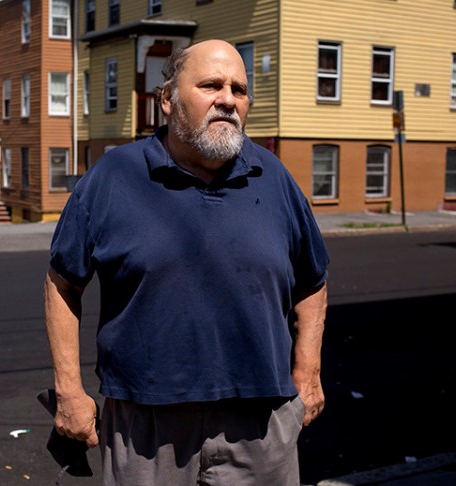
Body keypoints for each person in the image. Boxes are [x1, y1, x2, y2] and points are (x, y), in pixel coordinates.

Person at [44, 38, 330, 485]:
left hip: (261, 424)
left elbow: (312, 281)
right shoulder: (113, 176)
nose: (228, 101)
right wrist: (69, 390)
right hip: (146, 427)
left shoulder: (273, 177)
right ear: (167, 100)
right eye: (212, 85)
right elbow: (62, 283)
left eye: (239, 89)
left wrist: (307, 372)